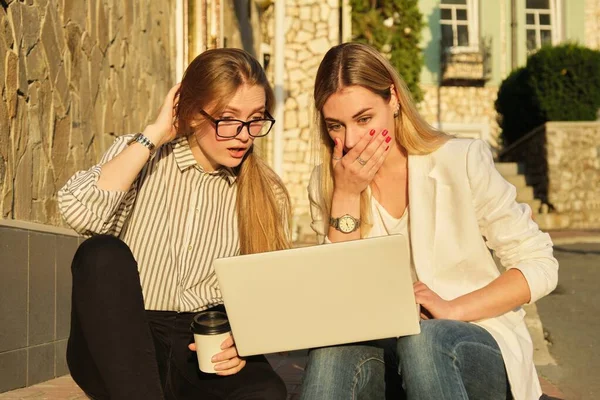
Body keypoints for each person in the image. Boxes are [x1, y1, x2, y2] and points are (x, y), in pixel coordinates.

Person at [300, 42, 558, 400]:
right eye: (336, 126)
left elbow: (540, 264)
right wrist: (345, 196)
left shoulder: (460, 160)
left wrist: (453, 309)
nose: (352, 140)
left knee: (426, 339)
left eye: (363, 119)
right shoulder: (328, 182)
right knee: (330, 351)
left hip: (468, 344)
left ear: (393, 99)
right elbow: (338, 303)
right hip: (385, 350)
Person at [58, 48, 290, 400]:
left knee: (267, 391)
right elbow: (79, 213)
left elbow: (268, 294)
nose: (244, 134)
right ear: (195, 113)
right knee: (100, 253)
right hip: (123, 340)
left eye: (256, 119)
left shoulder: (265, 191)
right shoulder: (141, 156)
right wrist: (154, 134)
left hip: (203, 345)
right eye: (229, 119)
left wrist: (243, 340)